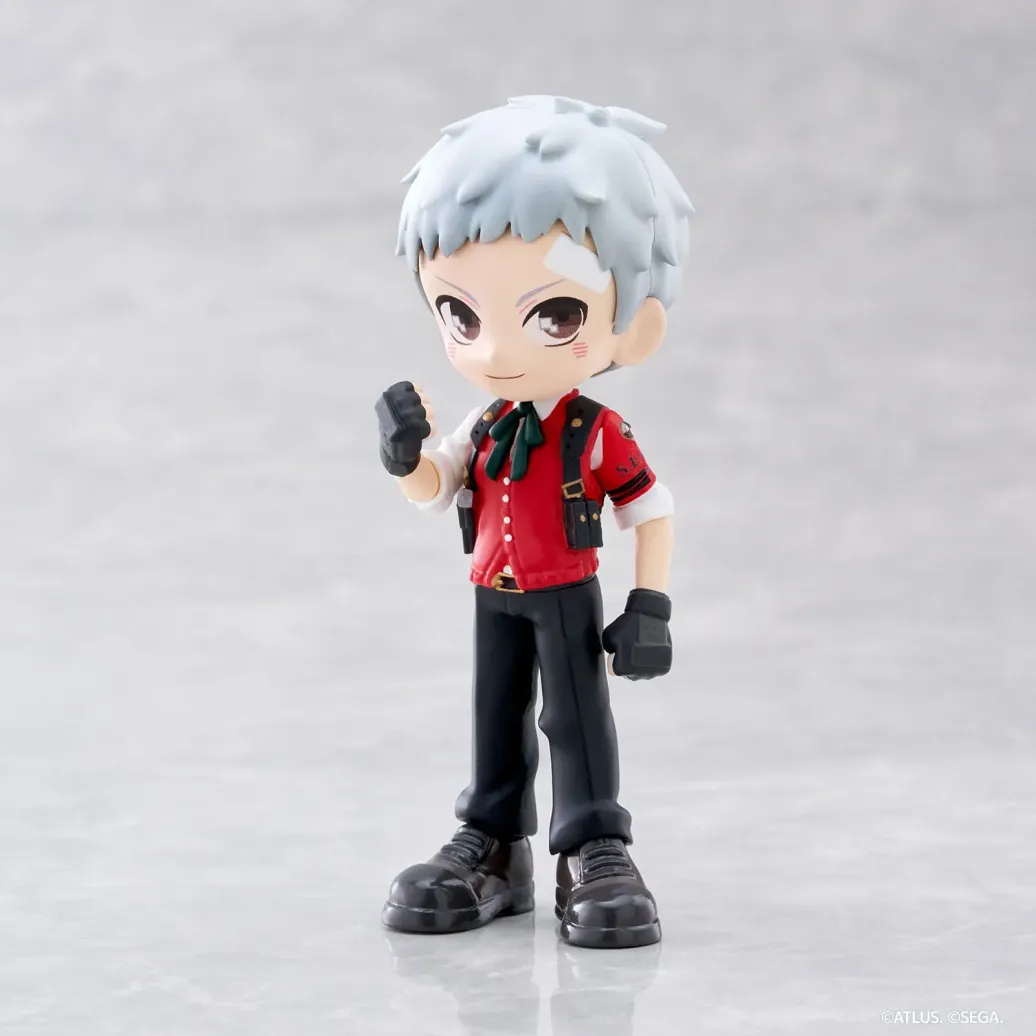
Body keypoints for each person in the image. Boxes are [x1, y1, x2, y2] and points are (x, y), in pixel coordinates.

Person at [374, 95, 692, 949]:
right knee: (495, 709)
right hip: (494, 592)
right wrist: (405, 458)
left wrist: (650, 605)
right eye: (461, 314)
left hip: (565, 593)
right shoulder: (483, 424)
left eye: (555, 316)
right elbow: (438, 486)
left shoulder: (596, 430)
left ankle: (592, 843)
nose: (494, 351)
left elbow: (650, 510)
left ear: (635, 326)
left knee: (575, 716)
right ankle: (493, 843)